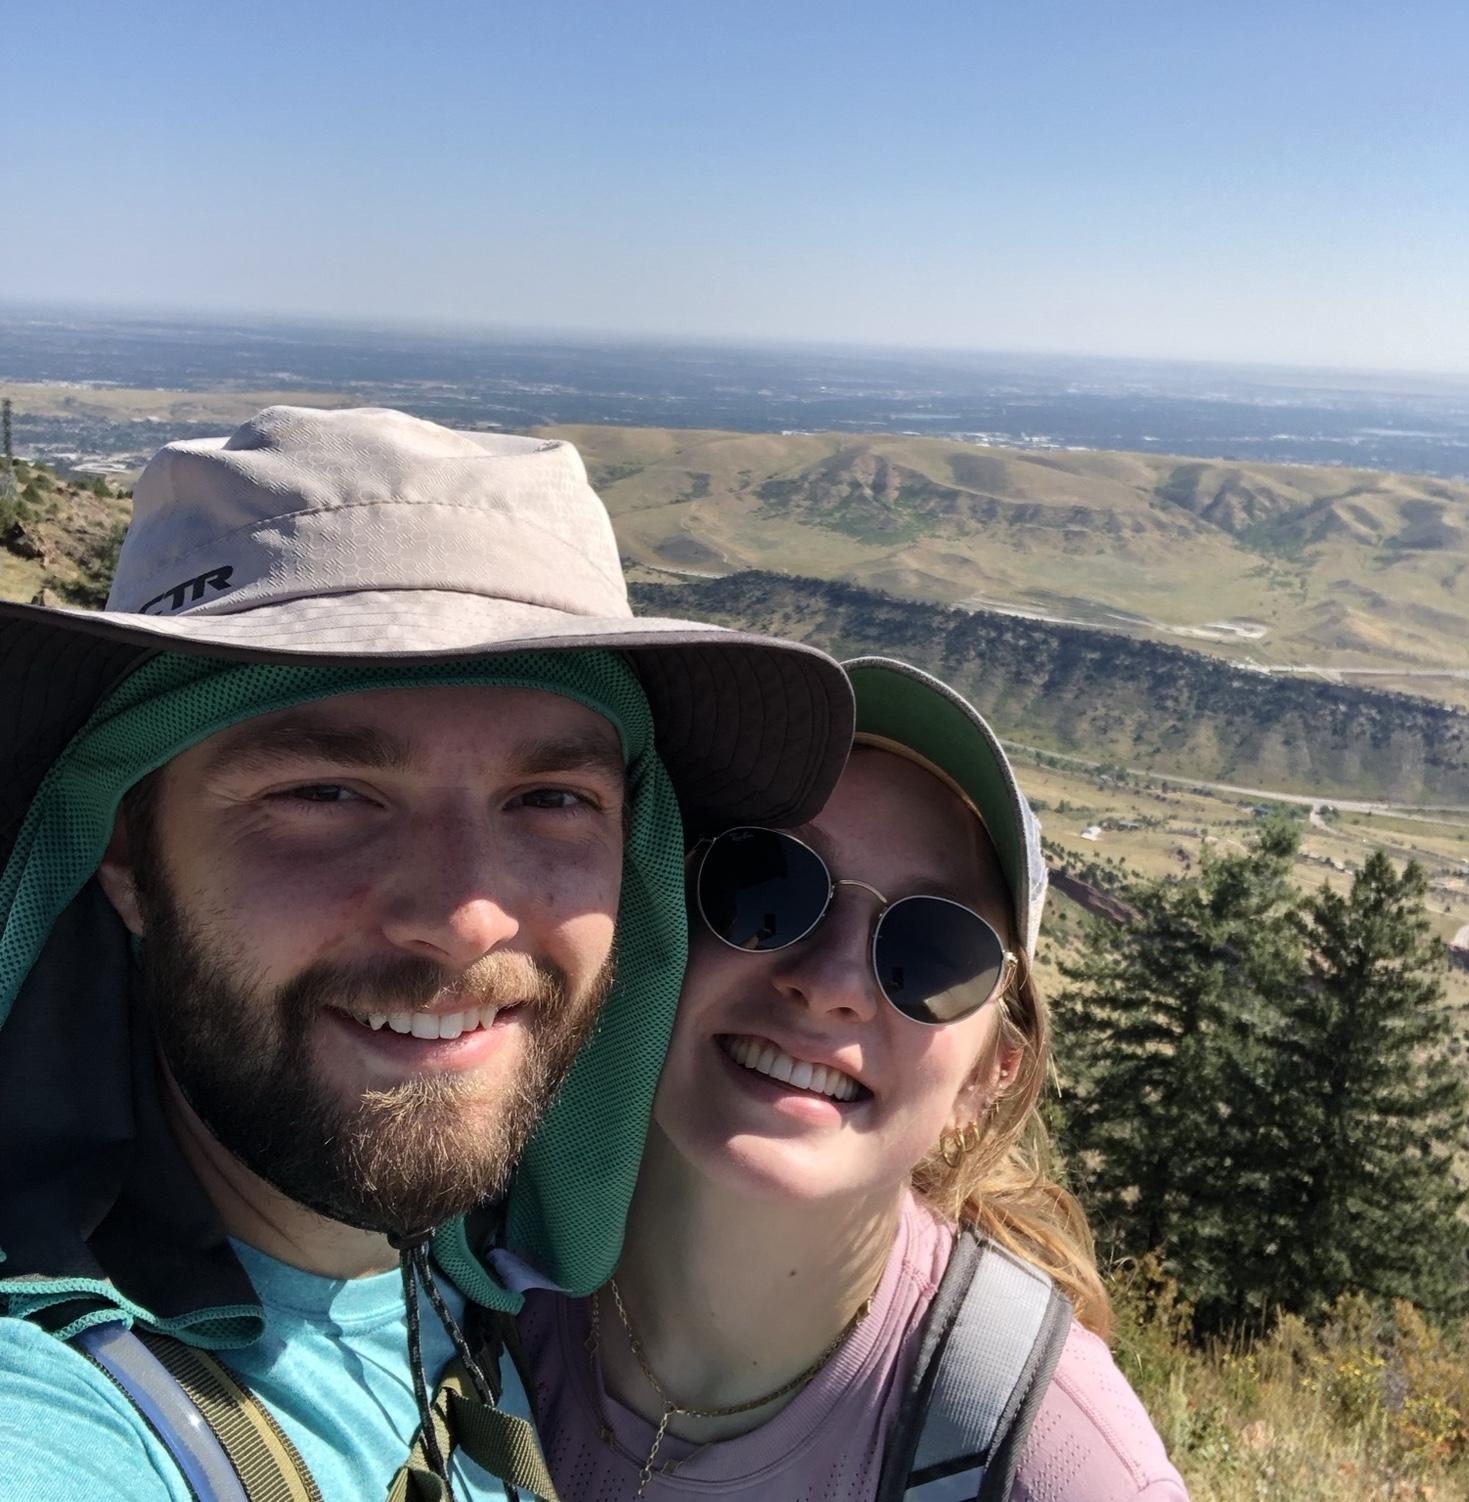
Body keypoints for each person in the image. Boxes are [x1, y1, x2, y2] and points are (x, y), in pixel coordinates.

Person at [0, 404, 854, 1502]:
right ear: (124, 851)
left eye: (549, 798)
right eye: (323, 792)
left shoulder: (476, 1272)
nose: (465, 919)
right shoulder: (55, 1414)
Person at [520, 657, 1190, 1501]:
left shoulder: (1058, 1469)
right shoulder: (451, 1252)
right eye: (762, 881)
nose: (831, 983)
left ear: (989, 1077)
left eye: (931, 953)